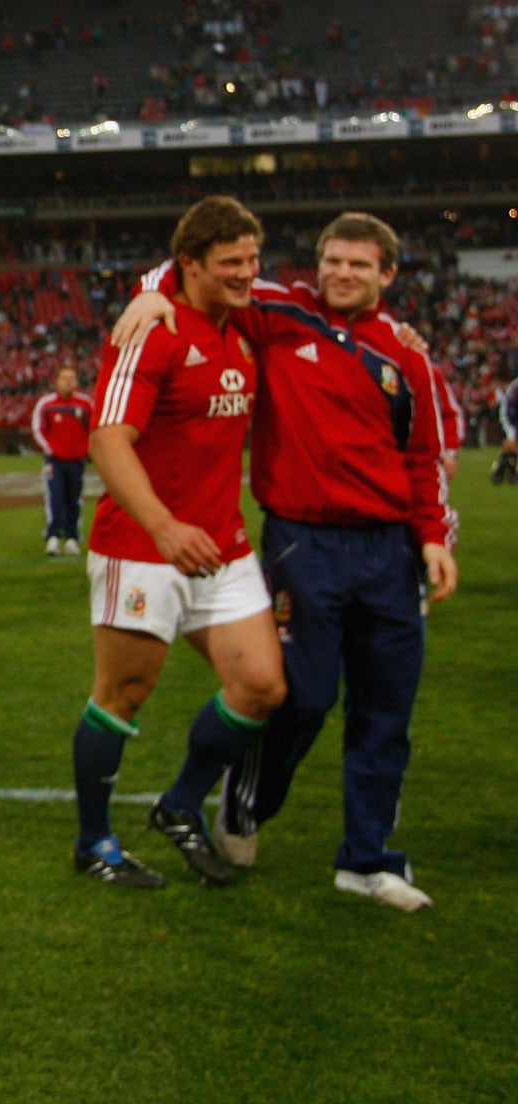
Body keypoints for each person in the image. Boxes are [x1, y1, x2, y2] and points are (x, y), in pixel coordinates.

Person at [114, 212, 458, 912]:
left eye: (360, 265)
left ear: (388, 276)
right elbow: (204, 274)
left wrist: (433, 536)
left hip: (389, 550)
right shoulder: (277, 311)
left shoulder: (407, 356)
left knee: (386, 712)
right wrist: (151, 289)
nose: (342, 273)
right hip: (305, 543)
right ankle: (245, 804)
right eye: (333, 260)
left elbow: (426, 457)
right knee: (301, 698)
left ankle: (366, 859)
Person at [75, 196, 286, 891]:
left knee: (260, 685)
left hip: (221, 544)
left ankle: (180, 804)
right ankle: (96, 842)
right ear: (189, 265)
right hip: (142, 544)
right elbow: (107, 439)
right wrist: (164, 524)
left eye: (253, 261)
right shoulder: (153, 329)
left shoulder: (244, 326)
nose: (247, 275)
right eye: (231, 264)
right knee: (124, 692)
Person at [30, 364, 93, 555]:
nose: (68, 382)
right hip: (54, 461)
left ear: (76, 382)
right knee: (55, 496)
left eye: (71, 378)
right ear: (56, 382)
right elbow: (37, 429)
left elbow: (94, 429)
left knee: (74, 497)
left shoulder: (86, 404)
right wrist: (50, 449)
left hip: (77, 460)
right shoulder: (46, 404)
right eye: (64, 378)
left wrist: (87, 449)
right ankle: (54, 536)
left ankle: (72, 537)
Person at [493, 374, 518, 485]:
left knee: (513, 446)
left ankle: (503, 469)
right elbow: (510, 407)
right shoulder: (516, 386)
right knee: (512, 443)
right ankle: (501, 469)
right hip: (509, 417)